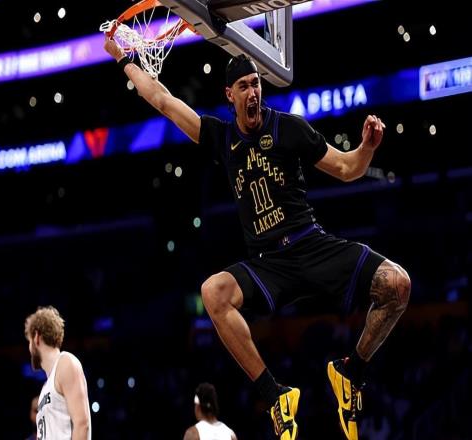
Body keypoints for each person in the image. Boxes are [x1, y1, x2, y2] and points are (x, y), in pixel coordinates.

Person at [103, 39, 411, 440]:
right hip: (269, 264)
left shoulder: (288, 127)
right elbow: (162, 100)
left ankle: (351, 372)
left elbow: (346, 168)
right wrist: (122, 58)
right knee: (212, 292)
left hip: (310, 245)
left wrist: (366, 148)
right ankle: (275, 395)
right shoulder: (221, 136)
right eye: (244, 86)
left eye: (256, 84)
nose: (253, 92)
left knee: (397, 285)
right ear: (229, 95)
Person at [24, 306, 91, 439]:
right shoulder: (46, 387)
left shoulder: (65, 363)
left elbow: (82, 424)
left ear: (36, 337)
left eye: (29, 342)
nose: (29, 349)